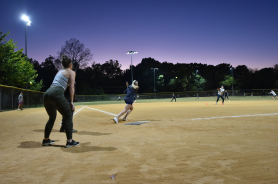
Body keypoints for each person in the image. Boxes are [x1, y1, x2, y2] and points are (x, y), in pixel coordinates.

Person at [42, 55, 79, 147]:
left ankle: (46, 140)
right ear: (70, 64)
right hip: (56, 93)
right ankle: (69, 141)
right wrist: (71, 102)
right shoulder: (71, 72)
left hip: (47, 93)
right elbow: (71, 88)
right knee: (68, 114)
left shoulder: (60, 71)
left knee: (52, 118)